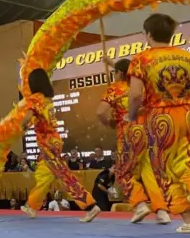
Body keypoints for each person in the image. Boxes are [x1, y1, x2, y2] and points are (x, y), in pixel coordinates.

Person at [126, 14, 190, 234]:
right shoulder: (188, 57)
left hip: (161, 119)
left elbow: (134, 96)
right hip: (189, 115)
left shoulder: (141, 59)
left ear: (148, 34)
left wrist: (131, 116)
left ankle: (189, 221)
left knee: (166, 171)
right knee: (189, 165)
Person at [20, 69, 101, 222]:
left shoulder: (35, 99)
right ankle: (31, 205)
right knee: (44, 174)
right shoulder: (47, 99)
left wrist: (22, 126)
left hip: (47, 143)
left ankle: (90, 206)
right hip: (54, 140)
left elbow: (27, 118)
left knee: (64, 175)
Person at [96, 58, 169, 224]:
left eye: (115, 72)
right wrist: (111, 64)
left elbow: (100, 112)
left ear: (120, 73)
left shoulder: (114, 89)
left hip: (129, 134)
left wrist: (109, 122)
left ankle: (140, 203)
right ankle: (162, 211)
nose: (113, 75)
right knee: (149, 173)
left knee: (122, 172)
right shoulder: (142, 87)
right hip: (149, 133)